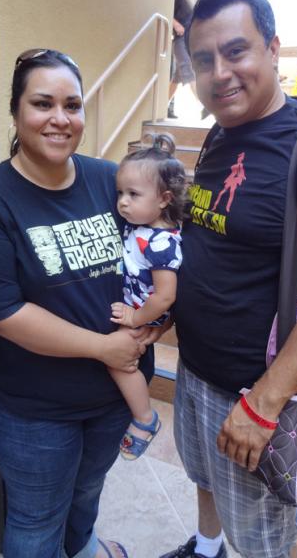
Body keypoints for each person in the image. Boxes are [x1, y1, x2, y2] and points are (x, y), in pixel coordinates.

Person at [159, 0, 297, 558]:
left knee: (265, 538)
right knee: (203, 478)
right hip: (196, 370)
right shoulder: (221, 134)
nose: (219, 73)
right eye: (203, 60)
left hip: (255, 391)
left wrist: (264, 403)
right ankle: (205, 549)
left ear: (273, 49)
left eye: (236, 51)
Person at [0, 48, 159, 558]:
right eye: (43, 103)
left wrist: (158, 318)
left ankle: (82, 548)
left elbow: (155, 253)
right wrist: (104, 348)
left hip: (113, 394)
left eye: (72, 105)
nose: (60, 118)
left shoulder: (110, 181)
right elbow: (0, 317)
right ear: (16, 112)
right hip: (36, 410)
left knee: (87, 492)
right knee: (36, 521)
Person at [109, 134, 186, 460]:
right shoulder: (138, 224)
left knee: (119, 362)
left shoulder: (161, 243)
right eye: (120, 193)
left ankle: (145, 417)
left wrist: (135, 318)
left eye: (133, 194)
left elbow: (165, 296)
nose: (123, 202)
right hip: (137, 306)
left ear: (164, 199)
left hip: (145, 313)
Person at [168, 0, 209, 119]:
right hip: (180, 40)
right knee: (189, 70)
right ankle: (205, 106)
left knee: (177, 77)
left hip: (193, 41)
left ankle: (162, 106)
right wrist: (175, 24)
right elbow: (164, 9)